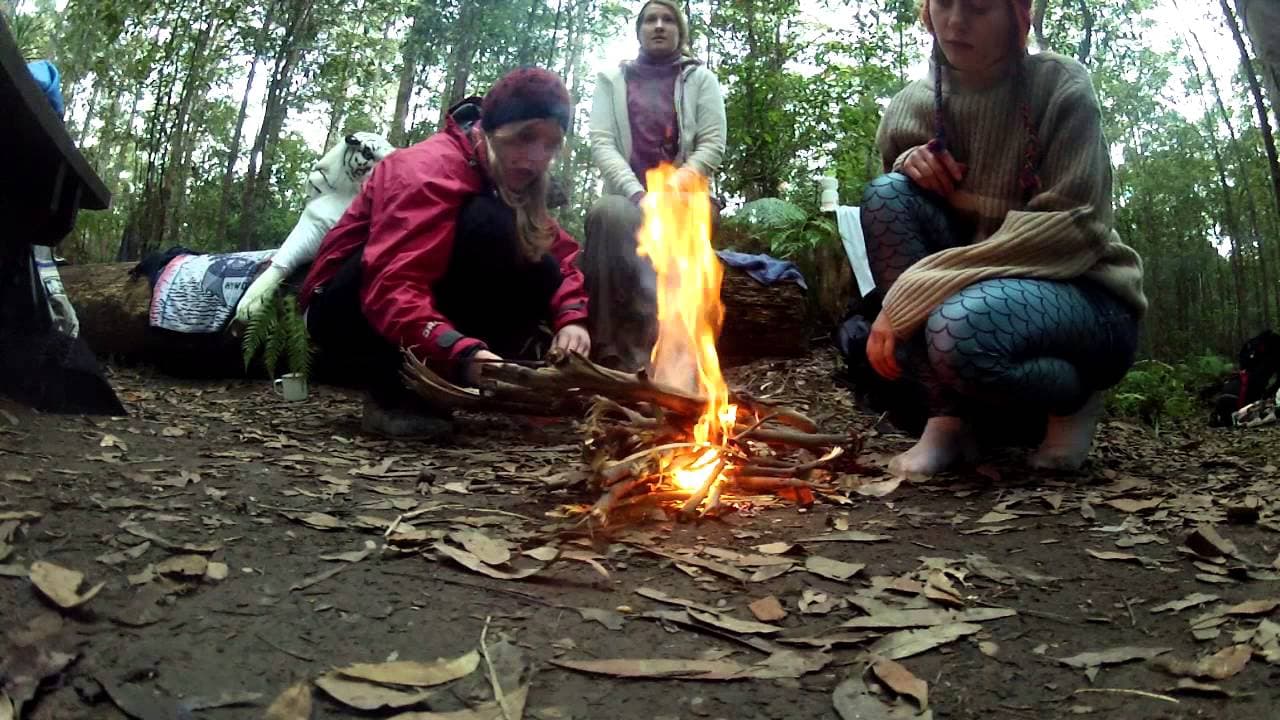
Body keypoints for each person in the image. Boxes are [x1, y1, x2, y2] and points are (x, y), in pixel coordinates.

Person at [860, 0, 1147, 476]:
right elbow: (905, 221)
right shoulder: (911, 105)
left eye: (978, 8)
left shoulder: (1061, 86)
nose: (954, 23)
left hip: (1087, 299)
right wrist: (911, 166)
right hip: (981, 297)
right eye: (943, 4)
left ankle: (1074, 401)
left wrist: (917, 288)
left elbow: (1075, 226)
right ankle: (948, 421)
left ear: (1019, 15)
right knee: (887, 195)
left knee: (960, 330)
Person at [298, 68, 591, 439]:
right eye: (525, 137)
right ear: (491, 129)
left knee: (540, 264)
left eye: (550, 144)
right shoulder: (426, 170)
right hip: (347, 314)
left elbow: (562, 260)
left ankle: (471, 378)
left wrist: (572, 319)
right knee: (490, 225)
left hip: (415, 313)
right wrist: (461, 353)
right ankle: (393, 395)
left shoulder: (514, 183)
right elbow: (393, 285)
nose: (535, 157)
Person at [582, 0, 727, 371]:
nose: (659, 26)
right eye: (650, 20)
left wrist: (671, 189)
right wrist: (637, 194)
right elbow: (602, 142)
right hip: (628, 197)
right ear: (639, 31)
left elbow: (712, 145)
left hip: (684, 199)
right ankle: (608, 353)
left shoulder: (700, 79)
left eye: (667, 20)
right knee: (606, 214)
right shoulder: (612, 81)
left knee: (683, 230)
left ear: (679, 30)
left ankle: (673, 355)